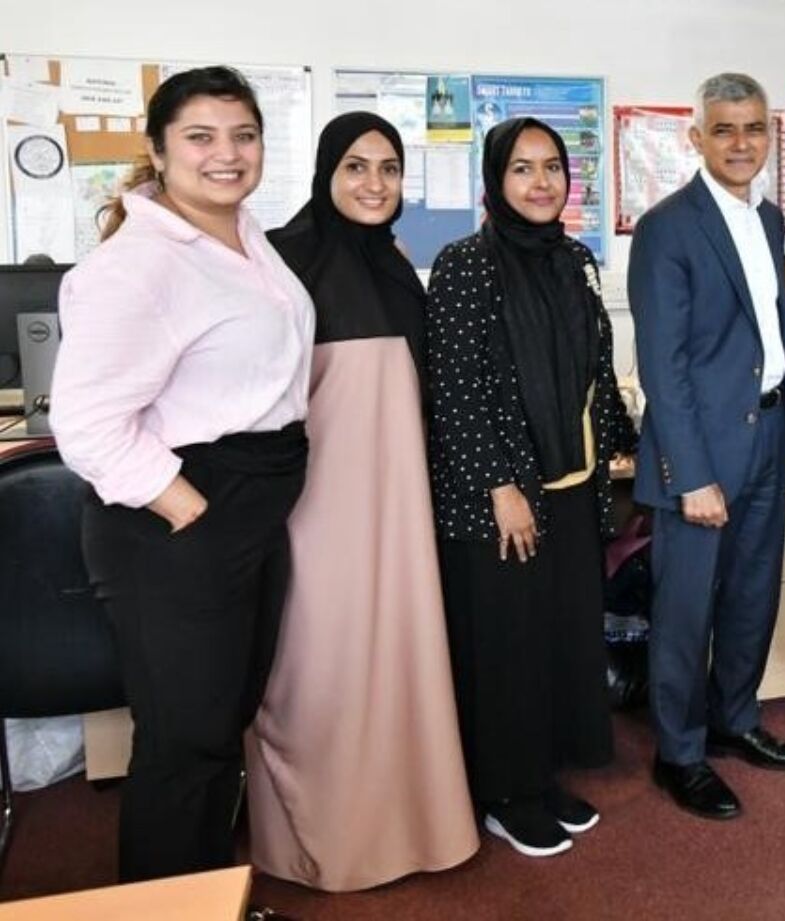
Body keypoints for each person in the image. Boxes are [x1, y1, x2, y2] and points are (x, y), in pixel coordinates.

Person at [51, 66, 313, 882]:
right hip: (180, 517)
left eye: (243, 134)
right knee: (182, 740)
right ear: (159, 153)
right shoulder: (137, 265)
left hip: (248, 511)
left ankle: (208, 898)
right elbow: (87, 423)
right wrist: (188, 506)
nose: (226, 154)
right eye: (200, 137)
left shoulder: (246, 236)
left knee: (220, 724)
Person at [246, 112, 479, 890]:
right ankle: (327, 843)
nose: (374, 184)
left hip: (401, 500)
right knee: (320, 664)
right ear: (324, 172)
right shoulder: (282, 260)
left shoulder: (397, 263)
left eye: (388, 168)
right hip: (316, 504)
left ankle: (413, 826)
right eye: (355, 166)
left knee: (402, 653)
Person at [425, 116, 632, 857]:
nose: (540, 182)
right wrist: (498, 485)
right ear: (495, 180)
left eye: (551, 168)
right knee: (506, 645)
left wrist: (620, 444)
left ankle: (538, 776)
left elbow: (594, 370)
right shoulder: (465, 264)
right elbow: (454, 388)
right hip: (504, 495)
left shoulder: (573, 259)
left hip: (572, 487)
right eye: (522, 169)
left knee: (558, 639)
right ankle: (502, 794)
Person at [629, 73, 785, 821]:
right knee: (685, 610)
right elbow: (662, 365)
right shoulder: (668, 226)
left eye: (754, 129)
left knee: (752, 594)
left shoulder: (768, 218)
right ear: (696, 138)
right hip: (701, 450)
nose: (742, 143)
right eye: (725, 130)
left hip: (768, 432)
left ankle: (736, 718)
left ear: (769, 139)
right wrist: (690, 475)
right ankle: (680, 753)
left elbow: (771, 333)